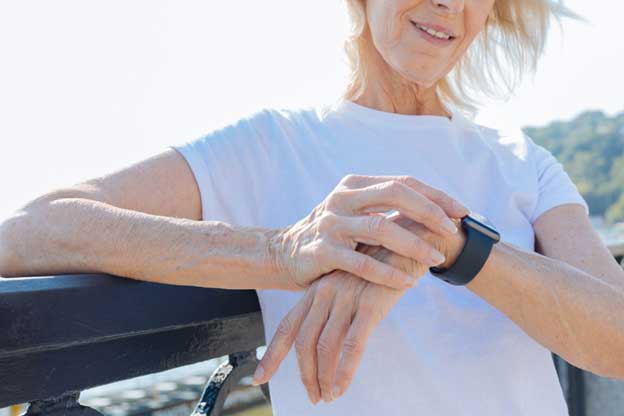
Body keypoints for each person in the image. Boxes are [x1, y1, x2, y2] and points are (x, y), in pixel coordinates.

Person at [1, 0, 623, 415]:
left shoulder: (522, 159)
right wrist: (280, 251)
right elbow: (28, 230)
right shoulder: (270, 145)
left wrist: (451, 243)